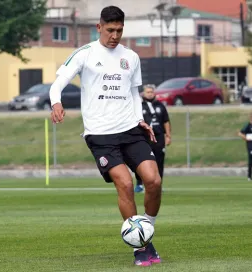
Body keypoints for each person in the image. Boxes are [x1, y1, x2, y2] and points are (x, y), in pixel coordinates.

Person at [49, 6, 163, 267]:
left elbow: (134, 93)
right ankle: (141, 247)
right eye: (110, 30)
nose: (115, 35)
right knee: (124, 183)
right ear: (98, 27)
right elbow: (59, 82)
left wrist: (140, 119)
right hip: (100, 134)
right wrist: (56, 103)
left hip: (131, 129)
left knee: (153, 181)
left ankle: (145, 232)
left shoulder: (131, 57)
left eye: (119, 30)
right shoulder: (85, 54)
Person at [134, 84, 171, 193]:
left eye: (151, 92)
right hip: (144, 137)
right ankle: (140, 184)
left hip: (158, 137)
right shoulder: (140, 106)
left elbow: (166, 121)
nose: (150, 94)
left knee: (159, 161)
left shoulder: (160, 106)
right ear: (143, 93)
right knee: (141, 161)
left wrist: (168, 136)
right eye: (148, 92)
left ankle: (158, 185)